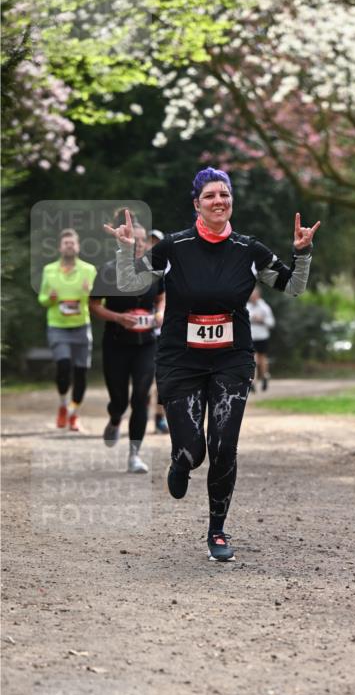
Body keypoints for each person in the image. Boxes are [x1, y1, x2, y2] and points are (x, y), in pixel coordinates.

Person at [104, 167, 320, 562]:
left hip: (231, 359)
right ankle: (180, 460)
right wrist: (123, 250)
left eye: (225, 194)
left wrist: (302, 252)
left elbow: (294, 286)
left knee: (224, 446)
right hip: (180, 359)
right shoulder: (174, 247)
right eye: (210, 196)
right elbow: (131, 282)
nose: (219, 201)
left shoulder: (248, 250)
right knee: (194, 450)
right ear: (197, 205)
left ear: (231, 201)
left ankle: (217, 530)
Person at [90, 214, 165, 474]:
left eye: (144, 241)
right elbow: (93, 306)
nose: (141, 244)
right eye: (136, 240)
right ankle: (114, 418)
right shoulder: (110, 270)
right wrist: (118, 318)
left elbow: (162, 297)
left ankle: (134, 454)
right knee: (120, 400)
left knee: (141, 396)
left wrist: (160, 313)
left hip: (147, 344)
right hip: (116, 343)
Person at [37, 228, 96, 431]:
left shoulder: (89, 270)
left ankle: (73, 414)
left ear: (78, 246)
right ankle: (63, 405)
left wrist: (90, 294)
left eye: (72, 243)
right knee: (63, 367)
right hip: (58, 326)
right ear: (60, 247)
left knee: (81, 373)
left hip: (81, 326)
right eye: (66, 243)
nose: (69, 246)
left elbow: (100, 301)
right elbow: (42, 299)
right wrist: (50, 299)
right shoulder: (49, 270)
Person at [146, 228, 169, 434]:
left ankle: (160, 418)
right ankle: (142, 411)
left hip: (167, 332)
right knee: (145, 378)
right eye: (150, 242)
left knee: (162, 378)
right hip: (143, 331)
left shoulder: (173, 268)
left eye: (157, 243)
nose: (153, 246)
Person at [247, 285, 275, 391]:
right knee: (253, 359)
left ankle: (264, 377)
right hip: (251, 337)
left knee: (262, 359)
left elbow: (271, 323)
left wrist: (262, 320)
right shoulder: (247, 306)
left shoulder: (264, 307)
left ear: (258, 295)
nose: (252, 297)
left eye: (254, 295)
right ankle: (253, 382)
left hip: (262, 337)